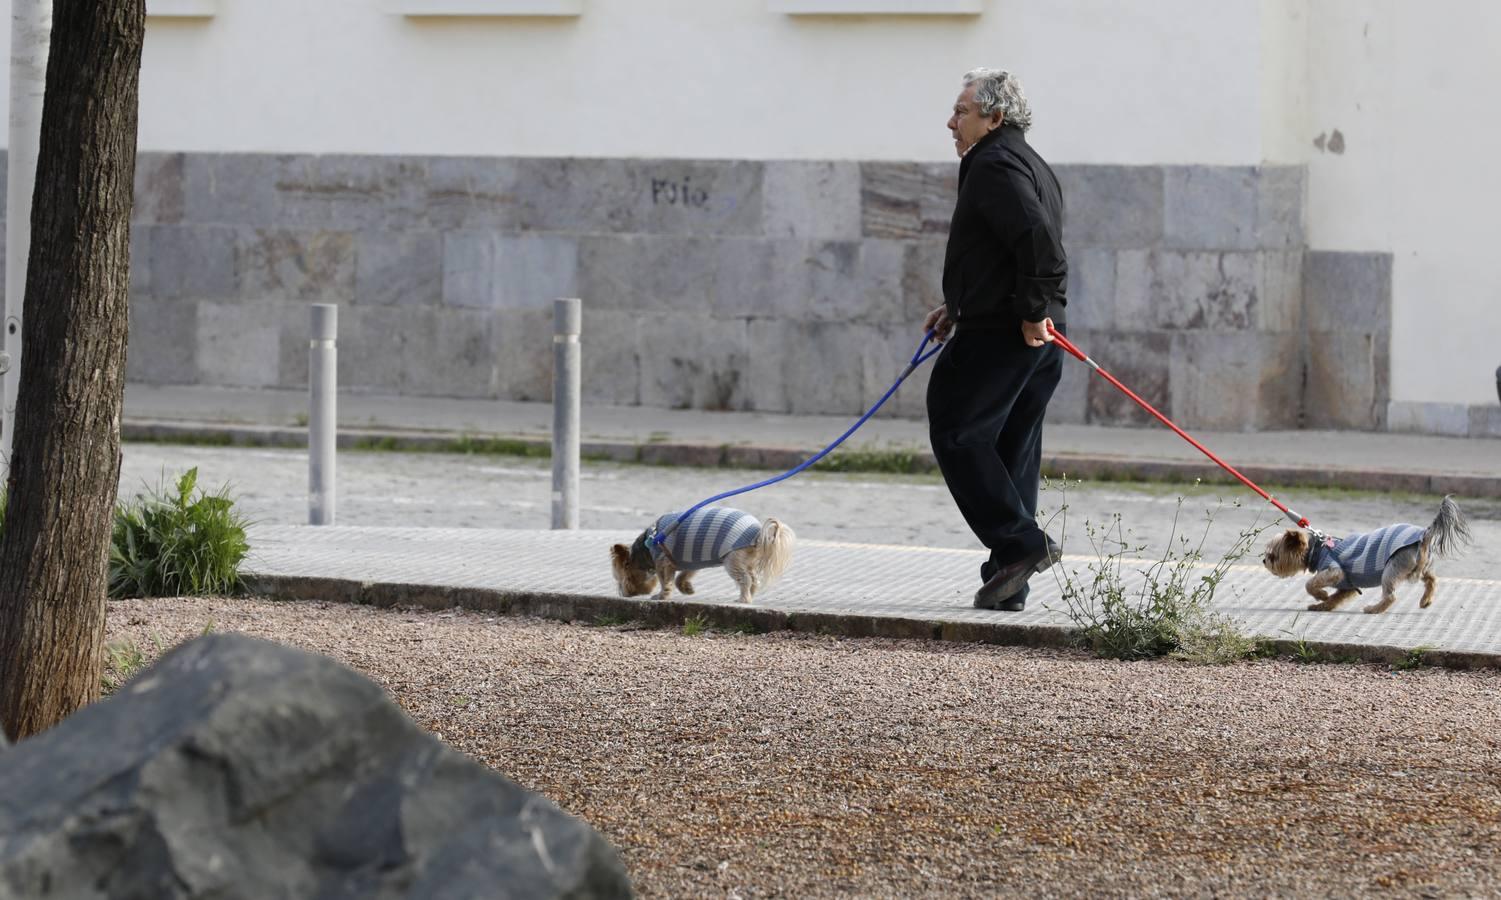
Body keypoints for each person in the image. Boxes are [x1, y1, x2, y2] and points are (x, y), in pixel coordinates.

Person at [923, 68, 1068, 612]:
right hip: (1028, 332)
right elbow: (1004, 251)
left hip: (1006, 334)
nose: (951, 121)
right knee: (1012, 450)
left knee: (958, 431)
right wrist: (956, 306)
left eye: (962, 111)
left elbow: (1039, 242)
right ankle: (1010, 579)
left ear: (994, 117)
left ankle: (1021, 545)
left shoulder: (992, 163)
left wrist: (1030, 312)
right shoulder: (1028, 161)